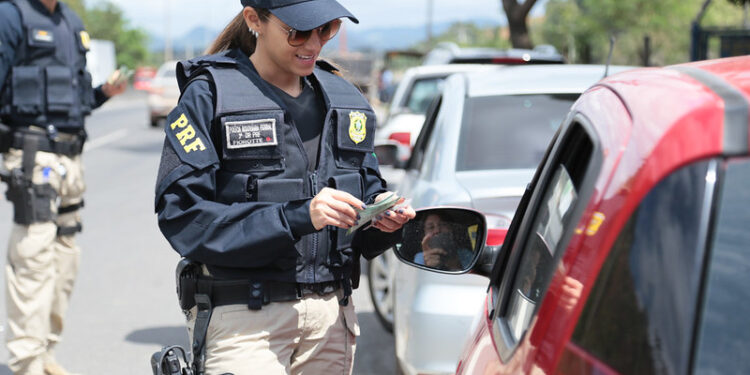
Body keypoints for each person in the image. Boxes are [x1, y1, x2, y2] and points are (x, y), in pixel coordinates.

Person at [154, 1, 415, 374]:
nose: (313, 44)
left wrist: (381, 218)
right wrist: (297, 217)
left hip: (331, 319)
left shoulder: (346, 100)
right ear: (254, 19)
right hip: (246, 322)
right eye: (298, 32)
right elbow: (183, 216)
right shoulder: (210, 95)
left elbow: (367, 192)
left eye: (326, 30)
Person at [0, 0, 126, 374]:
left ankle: (45, 352)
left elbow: (79, 98)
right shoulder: (11, 15)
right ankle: (26, 363)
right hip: (32, 155)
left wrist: (104, 91)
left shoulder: (70, 22)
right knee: (34, 257)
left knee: (65, 258)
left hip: (72, 157)